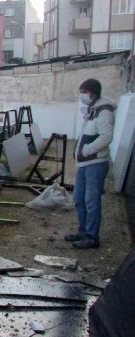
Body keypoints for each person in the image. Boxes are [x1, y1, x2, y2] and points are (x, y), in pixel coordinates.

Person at [66, 78, 115, 249]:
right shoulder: (92, 110)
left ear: (93, 94)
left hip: (95, 163)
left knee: (91, 201)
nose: (82, 96)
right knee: (78, 198)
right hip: (84, 164)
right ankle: (83, 231)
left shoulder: (104, 111)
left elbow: (106, 138)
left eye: (84, 92)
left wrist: (85, 151)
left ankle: (92, 236)